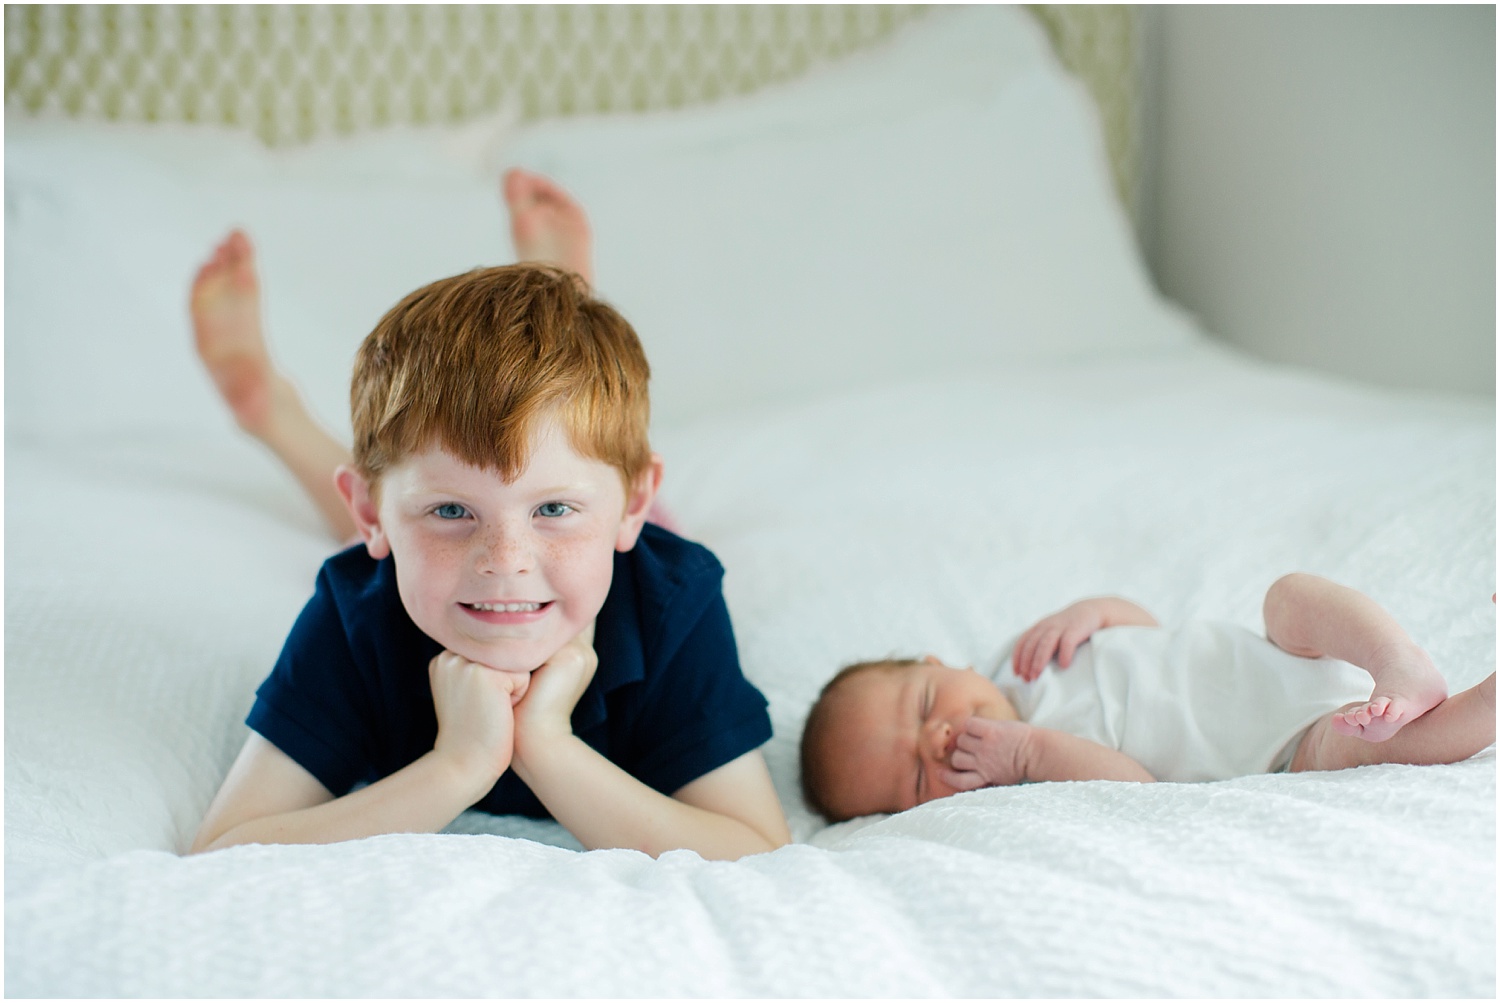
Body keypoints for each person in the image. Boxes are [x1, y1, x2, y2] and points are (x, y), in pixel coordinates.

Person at [189, 170, 791, 858]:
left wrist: (548, 748)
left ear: (632, 503)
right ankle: (276, 412)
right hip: (492, 526)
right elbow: (224, 849)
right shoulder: (356, 615)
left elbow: (756, 849)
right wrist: (457, 766)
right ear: (368, 513)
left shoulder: (675, 602)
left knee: (504, 481)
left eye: (552, 508)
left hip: (633, 548)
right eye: (454, 510)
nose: (505, 558)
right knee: (432, 496)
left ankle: (561, 307)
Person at [800, 573, 1496, 821]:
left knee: (1289, 596)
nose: (941, 737)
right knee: (1358, 746)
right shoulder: (1019, 781)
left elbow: (1146, 631)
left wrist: (1093, 610)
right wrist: (1027, 755)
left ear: (935, 662)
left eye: (924, 705)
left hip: (1272, 657)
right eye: (919, 777)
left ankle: (1398, 662)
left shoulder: (1020, 659)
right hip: (1290, 742)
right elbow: (1136, 788)